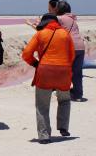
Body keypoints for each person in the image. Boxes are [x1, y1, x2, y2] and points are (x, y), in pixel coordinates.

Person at [22, 13, 75, 144]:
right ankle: (63, 126)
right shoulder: (65, 34)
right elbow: (72, 55)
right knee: (64, 100)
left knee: (42, 106)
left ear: (44, 23)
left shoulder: (41, 34)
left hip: (45, 71)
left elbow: (26, 54)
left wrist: (36, 64)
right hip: (63, 71)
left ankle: (44, 135)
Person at [56, 0, 86, 102]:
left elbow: (48, 26)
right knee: (77, 72)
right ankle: (78, 95)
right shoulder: (73, 19)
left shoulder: (60, 18)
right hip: (80, 47)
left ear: (59, 9)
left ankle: (63, 93)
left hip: (70, 47)